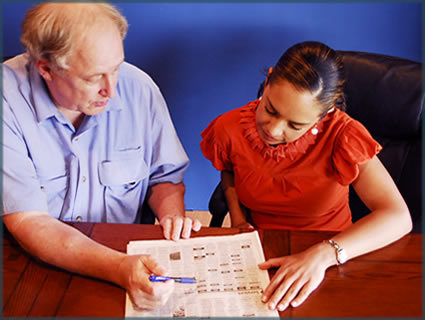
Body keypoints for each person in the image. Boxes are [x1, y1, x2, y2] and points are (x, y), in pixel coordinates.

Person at [2, 3, 202, 311]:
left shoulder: (139, 88)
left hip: (129, 257)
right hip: (41, 264)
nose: (112, 89)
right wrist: (119, 268)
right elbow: (29, 222)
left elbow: (165, 177)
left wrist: (171, 214)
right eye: (94, 77)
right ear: (46, 68)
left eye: (116, 68)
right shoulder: (7, 101)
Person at [200, 41, 412, 311]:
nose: (274, 131)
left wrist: (325, 253)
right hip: (264, 245)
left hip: (334, 250)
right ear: (267, 82)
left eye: (295, 125)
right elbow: (229, 170)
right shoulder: (229, 128)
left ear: (325, 115)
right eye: (270, 109)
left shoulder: (344, 136)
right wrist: (239, 220)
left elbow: (398, 216)